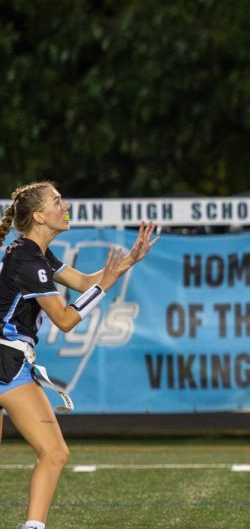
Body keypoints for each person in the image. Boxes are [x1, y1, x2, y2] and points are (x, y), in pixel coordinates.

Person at [1, 182, 157, 529]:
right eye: (58, 201)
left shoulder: (33, 254)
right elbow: (66, 319)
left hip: (10, 360)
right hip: (6, 362)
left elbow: (86, 282)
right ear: (40, 216)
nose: (65, 205)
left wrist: (129, 260)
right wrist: (106, 285)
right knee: (54, 453)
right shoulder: (30, 261)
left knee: (53, 454)